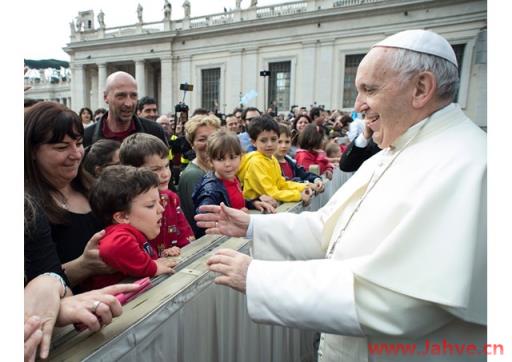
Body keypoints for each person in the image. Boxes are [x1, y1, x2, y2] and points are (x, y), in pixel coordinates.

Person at [198, 29, 486, 362]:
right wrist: (252, 226)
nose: (358, 104)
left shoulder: (468, 165)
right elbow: (329, 228)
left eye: (369, 89)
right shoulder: (389, 153)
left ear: (420, 88)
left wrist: (259, 277)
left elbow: (400, 301)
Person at [25, 102, 112, 290]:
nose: (76, 154)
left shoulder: (95, 188)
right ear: (32, 151)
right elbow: (33, 288)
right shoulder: (28, 210)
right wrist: (84, 266)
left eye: (79, 144)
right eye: (62, 147)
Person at [85, 165, 178, 290]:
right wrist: (152, 267)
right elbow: (112, 248)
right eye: (150, 205)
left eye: (159, 202)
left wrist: (163, 255)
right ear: (122, 217)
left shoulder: (136, 231)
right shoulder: (120, 232)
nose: (161, 209)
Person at [120, 133, 195, 255]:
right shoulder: (128, 205)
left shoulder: (171, 198)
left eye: (166, 166)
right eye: (155, 170)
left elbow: (186, 236)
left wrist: (182, 250)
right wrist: (157, 258)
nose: (165, 174)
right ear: (132, 170)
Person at [192, 130, 275, 237]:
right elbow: (204, 222)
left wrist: (253, 203)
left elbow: (234, 199)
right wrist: (234, 218)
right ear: (211, 161)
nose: (228, 164)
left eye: (232, 157)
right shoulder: (210, 191)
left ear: (241, 157)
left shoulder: (232, 177)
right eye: (220, 159)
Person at [237, 115, 312, 204]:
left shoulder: (272, 159)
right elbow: (271, 192)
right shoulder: (256, 163)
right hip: (258, 212)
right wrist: (298, 195)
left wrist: (305, 186)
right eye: (263, 140)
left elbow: (281, 184)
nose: (269, 144)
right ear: (253, 142)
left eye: (273, 139)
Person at [84, 71, 167, 147]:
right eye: (121, 96)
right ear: (106, 97)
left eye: (133, 96)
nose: (129, 104)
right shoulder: (86, 137)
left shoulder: (155, 132)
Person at [177, 114, 221, 236]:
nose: (208, 143)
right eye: (202, 139)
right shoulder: (193, 175)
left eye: (213, 137)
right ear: (192, 144)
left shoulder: (219, 169)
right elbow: (201, 221)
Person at [274, 124, 324, 192]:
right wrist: (307, 184)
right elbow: (287, 183)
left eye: (287, 142)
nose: (284, 146)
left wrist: (316, 180)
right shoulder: (271, 164)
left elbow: (304, 174)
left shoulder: (291, 162)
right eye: (279, 142)